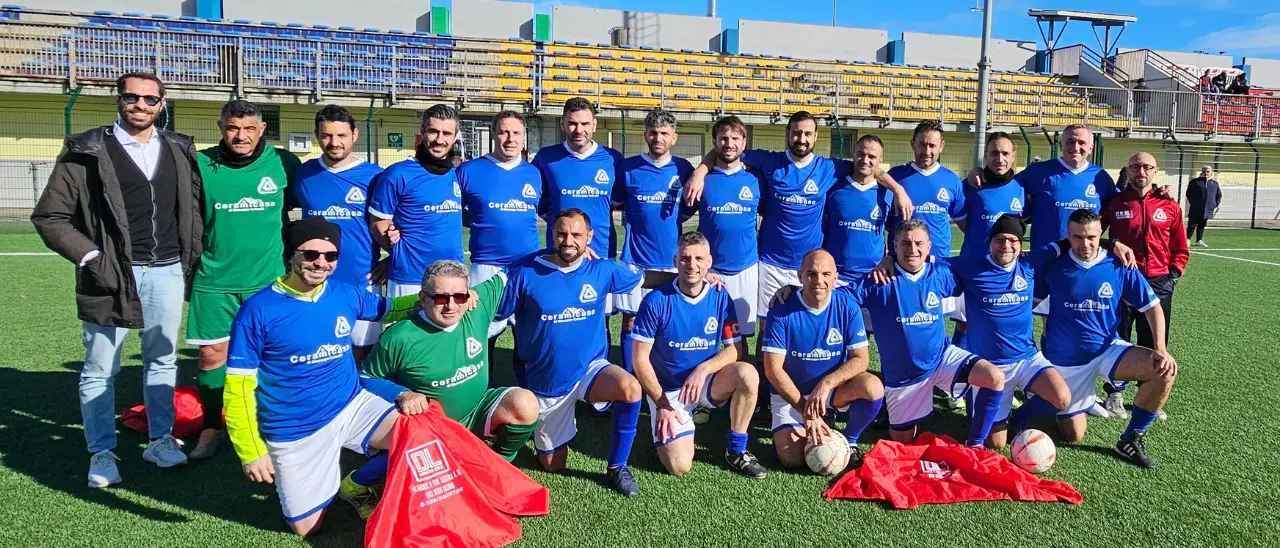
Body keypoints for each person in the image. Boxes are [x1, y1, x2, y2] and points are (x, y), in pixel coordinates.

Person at [32, 72, 203, 487]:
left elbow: (192, 208)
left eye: (150, 99)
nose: (140, 106)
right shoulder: (85, 150)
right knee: (99, 367)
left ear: (162, 104)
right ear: (119, 100)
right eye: (132, 97)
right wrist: (93, 257)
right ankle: (101, 452)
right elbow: (50, 217)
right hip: (111, 276)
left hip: (167, 270)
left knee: (162, 360)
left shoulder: (179, 148)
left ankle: (160, 439)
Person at [223, 217, 417, 535]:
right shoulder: (258, 310)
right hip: (294, 429)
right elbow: (238, 387)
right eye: (310, 254)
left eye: (330, 256)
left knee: (415, 432)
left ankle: (356, 483)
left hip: (350, 404)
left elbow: (389, 308)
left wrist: (437, 298)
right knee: (305, 529)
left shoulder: (343, 294)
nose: (320, 263)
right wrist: (251, 451)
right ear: (291, 254)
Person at [683, 111, 910, 358]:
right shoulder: (770, 162)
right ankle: (763, 387)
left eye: (807, 134)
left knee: (810, 326)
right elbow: (726, 149)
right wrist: (700, 171)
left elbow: (869, 166)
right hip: (771, 263)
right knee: (767, 328)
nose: (801, 138)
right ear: (788, 134)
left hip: (811, 266)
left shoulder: (829, 168)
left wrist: (898, 189)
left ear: (815, 137)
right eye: (796, 133)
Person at [494, 208, 680, 497]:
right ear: (551, 234)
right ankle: (527, 428)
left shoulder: (602, 270)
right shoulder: (525, 273)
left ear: (589, 237)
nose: (568, 240)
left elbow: (646, 278)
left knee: (630, 388)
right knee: (553, 465)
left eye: (576, 234)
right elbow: (496, 314)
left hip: (590, 369)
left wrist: (692, 277)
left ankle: (618, 467)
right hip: (547, 383)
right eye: (562, 233)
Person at [349, 259, 539, 517]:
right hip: (432, 428)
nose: (451, 305)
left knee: (525, 403)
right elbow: (365, 377)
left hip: (476, 409)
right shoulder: (400, 336)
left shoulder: (477, 305)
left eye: (459, 296)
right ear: (423, 297)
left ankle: (498, 464)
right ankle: (356, 483)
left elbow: (513, 267)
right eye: (440, 298)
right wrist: (401, 394)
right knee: (430, 499)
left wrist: (568, 248)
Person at [188, 99, 301, 460]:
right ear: (221, 127)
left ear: (261, 129)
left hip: (266, 280)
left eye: (249, 128)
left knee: (271, 355)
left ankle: (269, 422)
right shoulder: (201, 163)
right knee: (210, 356)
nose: (241, 136)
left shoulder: (284, 163)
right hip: (214, 279)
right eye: (234, 128)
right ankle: (212, 426)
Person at [1031, 209, 1177, 468]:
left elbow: (1152, 306)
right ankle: (1061, 399)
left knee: (1163, 369)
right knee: (1073, 435)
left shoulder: (1118, 264)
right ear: (1068, 235)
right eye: (1077, 237)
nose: (1084, 244)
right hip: (1067, 361)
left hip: (1108, 350)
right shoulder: (1054, 265)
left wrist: (1160, 349)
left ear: (1101, 235)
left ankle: (1131, 439)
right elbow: (1035, 305)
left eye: (1091, 237)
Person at [851, 219, 1007, 448]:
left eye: (918, 243)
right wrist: (795, 291)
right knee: (902, 439)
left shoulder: (941, 275)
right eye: (905, 243)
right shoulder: (878, 280)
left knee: (994, 377)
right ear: (894, 246)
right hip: (904, 376)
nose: (912, 250)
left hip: (942, 358)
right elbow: (837, 298)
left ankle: (976, 445)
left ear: (928, 247)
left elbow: (978, 272)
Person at [630, 232, 765, 478]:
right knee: (679, 466)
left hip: (705, 383)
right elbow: (640, 359)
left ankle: (736, 450)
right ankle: (674, 419)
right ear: (675, 260)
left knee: (747, 374)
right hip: (668, 391)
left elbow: (737, 350)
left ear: (709, 261)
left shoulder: (720, 296)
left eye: (699, 259)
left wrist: (703, 369)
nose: (692, 265)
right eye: (685, 259)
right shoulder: (655, 301)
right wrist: (662, 404)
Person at [949, 215, 1072, 449]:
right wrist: (890, 259)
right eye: (1000, 239)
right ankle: (973, 397)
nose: (1006, 245)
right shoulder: (970, 266)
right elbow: (929, 261)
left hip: (1026, 358)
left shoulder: (1029, 262)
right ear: (991, 242)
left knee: (1062, 398)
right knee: (996, 443)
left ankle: (1019, 416)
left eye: (1013, 240)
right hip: (990, 367)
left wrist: (1114, 242)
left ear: (1021, 244)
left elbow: (1065, 244)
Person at [762, 249, 884, 468]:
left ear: (835, 277)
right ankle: (801, 425)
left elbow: (861, 359)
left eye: (826, 274)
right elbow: (773, 370)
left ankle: (850, 440)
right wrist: (804, 410)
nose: (819, 281)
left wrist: (827, 383)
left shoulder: (847, 307)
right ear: (800, 277)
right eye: (811, 274)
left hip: (829, 393)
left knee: (873, 387)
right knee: (792, 460)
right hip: (792, 395)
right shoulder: (781, 309)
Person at [288, 105, 385, 363]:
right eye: (327, 135)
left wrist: (390, 262)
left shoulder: (375, 177)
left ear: (354, 135)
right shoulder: (303, 174)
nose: (334, 142)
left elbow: (400, 225)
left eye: (341, 135)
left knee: (362, 352)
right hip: (313, 281)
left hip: (362, 279)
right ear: (318, 136)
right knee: (316, 350)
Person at [1099, 153, 1189, 420]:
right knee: (1120, 338)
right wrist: (1110, 247)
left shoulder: (1169, 206)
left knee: (1153, 341)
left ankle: (1149, 395)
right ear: (1128, 170)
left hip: (1159, 282)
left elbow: (1180, 246)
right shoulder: (1115, 203)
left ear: (1155, 171)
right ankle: (1114, 394)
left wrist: (1173, 273)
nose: (1141, 171)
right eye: (1136, 166)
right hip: (1124, 281)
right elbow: (1094, 235)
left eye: (1147, 167)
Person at [615, 109, 694, 377]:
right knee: (632, 322)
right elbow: (616, 203)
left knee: (670, 324)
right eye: (652, 132)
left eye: (663, 133)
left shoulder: (684, 169)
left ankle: (666, 380)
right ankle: (632, 384)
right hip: (635, 260)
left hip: (672, 262)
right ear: (645, 134)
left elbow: (686, 210)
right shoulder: (628, 168)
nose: (657, 138)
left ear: (674, 137)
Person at [456, 110, 543, 341]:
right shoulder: (468, 171)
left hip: (527, 265)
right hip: (486, 265)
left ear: (523, 136)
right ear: (493, 134)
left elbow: (547, 211)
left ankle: (523, 379)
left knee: (527, 335)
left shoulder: (534, 173)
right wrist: (480, 221)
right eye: (504, 132)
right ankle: (486, 378)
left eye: (516, 133)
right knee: (482, 334)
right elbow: (452, 212)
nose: (510, 138)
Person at [367, 104, 464, 298]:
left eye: (446, 133)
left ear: (455, 137)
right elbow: (377, 225)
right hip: (409, 279)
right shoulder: (397, 174)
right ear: (422, 131)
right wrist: (399, 253)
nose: (439, 139)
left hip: (453, 277)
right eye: (433, 131)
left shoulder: (458, 174)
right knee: (406, 328)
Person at [688, 115, 764, 341]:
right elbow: (680, 215)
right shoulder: (701, 180)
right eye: (723, 138)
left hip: (745, 269)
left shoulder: (757, 180)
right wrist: (700, 171)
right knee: (702, 334)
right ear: (714, 142)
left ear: (744, 143)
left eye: (735, 138)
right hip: (709, 270)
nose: (729, 144)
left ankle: (741, 376)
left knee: (741, 337)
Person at [949, 132, 1027, 347]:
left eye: (1004, 153)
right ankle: (958, 373)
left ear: (1013, 156)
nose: (999, 159)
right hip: (975, 266)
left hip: (1006, 271)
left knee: (1001, 322)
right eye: (994, 153)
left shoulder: (1021, 188)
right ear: (985, 155)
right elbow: (964, 224)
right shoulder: (971, 185)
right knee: (964, 323)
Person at [532, 97, 625, 260]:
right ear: (563, 125)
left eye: (585, 124)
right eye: (572, 123)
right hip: (561, 253)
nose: (579, 130)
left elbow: (617, 202)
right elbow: (540, 205)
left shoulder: (613, 159)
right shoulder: (545, 158)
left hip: (601, 252)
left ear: (594, 125)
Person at [823, 134, 893, 285]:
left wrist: (890, 258)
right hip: (835, 277)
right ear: (853, 153)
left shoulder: (888, 194)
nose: (865, 160)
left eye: (871, 156)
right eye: (860, 154)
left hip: (873, 276)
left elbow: (896, 232)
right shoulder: (834, 187)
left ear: (880, 160)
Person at [1185, 165, 1221, 247]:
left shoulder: (1214, 183)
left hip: (1207, 209)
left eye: (1208, 171)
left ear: (1211, 173)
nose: (1206, 173)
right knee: (1192, 224)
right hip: (1196, 208)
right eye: (1204, 171)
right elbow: (1189, 194)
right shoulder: (1195, 182)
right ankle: (1187, 240)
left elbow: (1218, 195)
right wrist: (1194, 203)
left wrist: (1214, 204)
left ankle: (1199, 240)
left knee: (1202, 224)